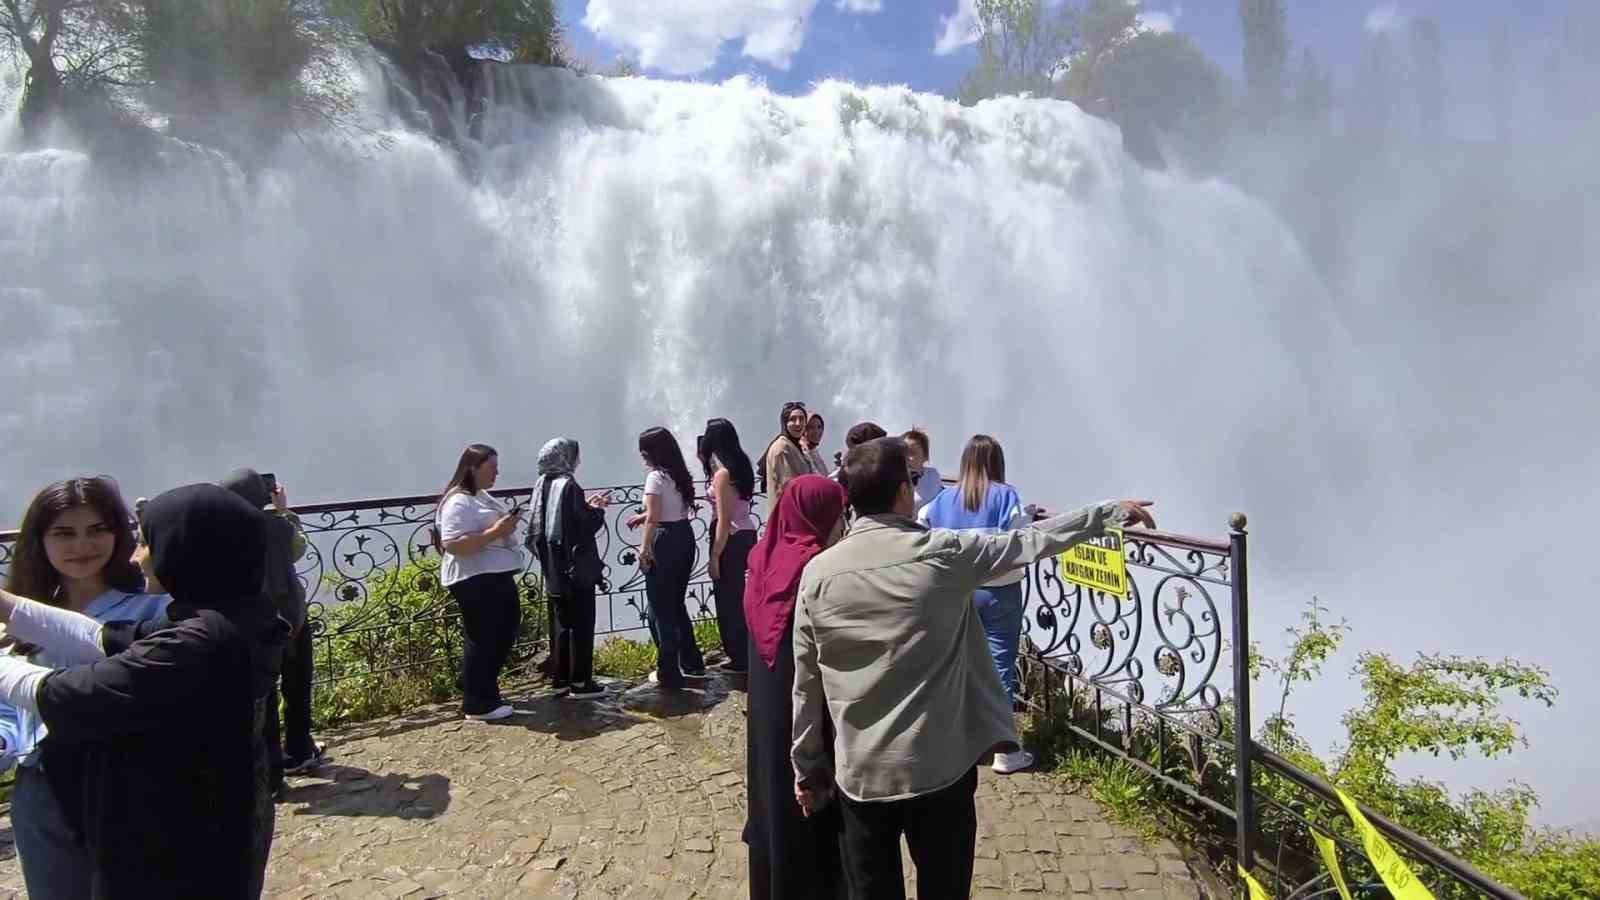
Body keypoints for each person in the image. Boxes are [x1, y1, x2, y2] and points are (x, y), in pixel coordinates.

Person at [792, 437, 1155, 900]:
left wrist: (807, 769)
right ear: (904, 492)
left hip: (862, 777)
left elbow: (805, 685)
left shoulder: (817, 575)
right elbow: (1028, 542)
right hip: (939, 768)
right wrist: (1107, 514)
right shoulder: (944, 555)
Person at [0, 484, 290, 898]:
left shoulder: (201, 643)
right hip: (207, 817)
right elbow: (105, 637)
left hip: (182, 837)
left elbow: (66, 693)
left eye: (146, 542)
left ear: (184, 550)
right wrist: (8, 607)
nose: (137, 556)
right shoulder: (227, 614)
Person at [0, 478, 169, 900]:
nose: (82, 546)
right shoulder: (16, 625)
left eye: (97, 530)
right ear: (39, 540)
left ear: (119, 534)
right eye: (64, 533)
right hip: (42, 788)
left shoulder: (151, 610)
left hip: (127, 782)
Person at [742, 475, 848, 900]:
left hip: (767, 710)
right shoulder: (816, 569)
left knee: (772, 800)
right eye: (838, 513)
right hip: (805, 707)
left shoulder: (763, 559)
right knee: (809, 819)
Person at [917, 435, 1036, 773]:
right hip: (1000, 590)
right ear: (997, 462)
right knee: (999, 665)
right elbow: (1018, 537)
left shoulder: (942, 499)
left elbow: (921, 532)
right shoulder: (1006, 494)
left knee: (956, 661)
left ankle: (955, 739)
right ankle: (1005, 751)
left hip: (956, 591)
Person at [221, 468, 326, 794]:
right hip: (289, 618)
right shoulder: (277, 527)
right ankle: (298, 748)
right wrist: (284, 510)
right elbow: (298, 549)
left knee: (260, 695)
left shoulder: (221, 532)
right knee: (296, 685)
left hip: (247, 623)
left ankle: (269, 768)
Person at [434, 444, 525, 722]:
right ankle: (478, 703)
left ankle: (479, 687)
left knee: (504, 630)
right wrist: (496, 531)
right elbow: (452, 543)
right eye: (491, 469)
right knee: (485, 636)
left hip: (492, 574)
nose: (496, 474)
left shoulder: (479, 496)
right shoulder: (458, 501)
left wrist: (505, 527)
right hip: (473, 578)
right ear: (472, 469)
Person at [527, 438, 609, 700]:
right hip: (575, 565)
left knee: (561, 622)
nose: (577, 460)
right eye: (575, 455)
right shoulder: (569, 486)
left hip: (553, 562)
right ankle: (581, 682)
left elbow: (559, 519)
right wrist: (597, 510)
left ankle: (560, 679)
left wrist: (586, 506)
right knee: (582, 621)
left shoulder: (543, 484)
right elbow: (582, 526)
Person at [627, 427, 707, 690]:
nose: (640, 454)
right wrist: (645, 517)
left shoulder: (655, 478)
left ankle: (669, 670)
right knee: (676, 604)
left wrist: (644, 548)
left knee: (661, 608)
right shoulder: (679, 474)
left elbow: (654, 516)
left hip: (664, 541)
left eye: (643, 449)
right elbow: (667, 510)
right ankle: (692, 662)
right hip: (684, 536)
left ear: (652, 451)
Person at [701, 418, 756, 675]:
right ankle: (747, 652)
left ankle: (739, 657)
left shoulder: (723, 474)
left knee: (728, 600)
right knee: (741, 597)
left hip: (729, 538)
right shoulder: (741, 465)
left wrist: (714, 557)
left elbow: (724, 519)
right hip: (747, 533)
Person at [759, 402, 815, 501]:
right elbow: (789, 488)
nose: (798, 423)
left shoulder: (796, 447)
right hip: (790, 512)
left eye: (801, 419)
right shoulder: (782, 448)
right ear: (785, 423)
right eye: (792, 419)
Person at [902, 428, 943, 515]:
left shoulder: (932, 475)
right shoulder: (892, 478)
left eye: (912, 453)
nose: (907, 458)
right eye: (904, 452)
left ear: (925, 456)